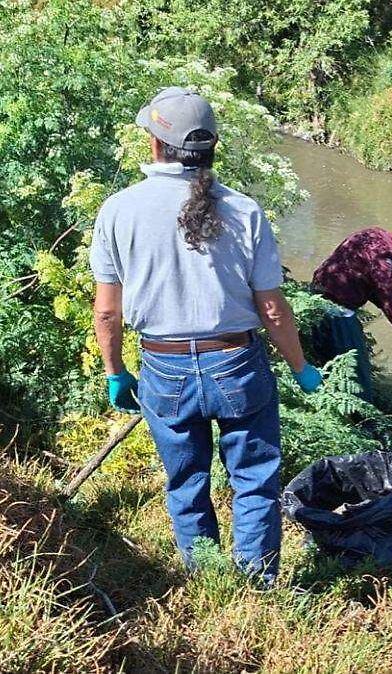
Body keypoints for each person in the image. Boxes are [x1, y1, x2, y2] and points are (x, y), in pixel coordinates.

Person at [89, 87, 323, 583]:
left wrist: (116, 372)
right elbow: (272, 308)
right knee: (254, 480)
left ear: (155, 144)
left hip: (163, 366)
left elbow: (107, 311)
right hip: (237, 363)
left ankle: (208, 580)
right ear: (211, 147)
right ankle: (257, 584)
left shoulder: (118, 210)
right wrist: (301, 367)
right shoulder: (244, 210)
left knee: (186, 481)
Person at [309, 224, 392, 397]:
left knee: (328, 359)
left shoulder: (374, 234)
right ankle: (360, 411)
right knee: (356, 372)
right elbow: (386, 296)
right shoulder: (385, 259)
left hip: (317, 295)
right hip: (336, 308)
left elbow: (373, 286)